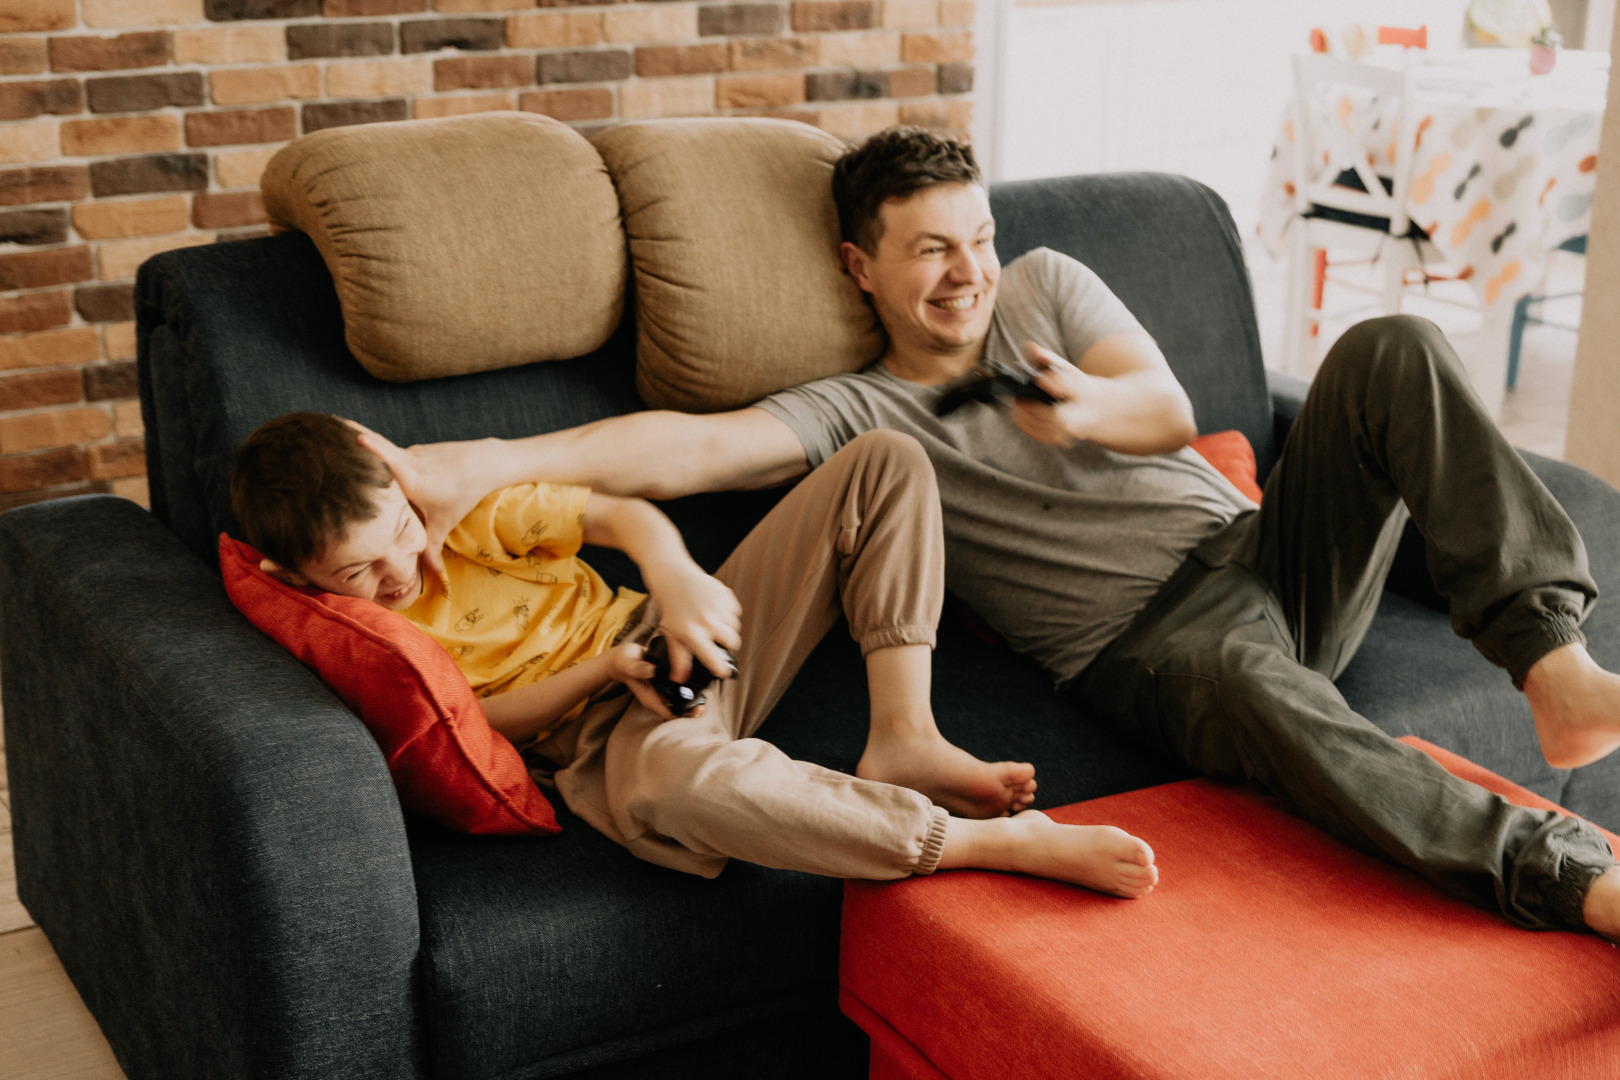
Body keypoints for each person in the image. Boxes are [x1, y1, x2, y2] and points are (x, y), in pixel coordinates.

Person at [361, 125, 1620, 939]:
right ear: (862, 267)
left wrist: (1091, 408)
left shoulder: (1046, 289)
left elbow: (1168, 403)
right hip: (1155, 650)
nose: (964, 273)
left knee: (1389, 345)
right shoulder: (857, 412)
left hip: (1266, 552)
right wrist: (484, 459)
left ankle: (1553, 665)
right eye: (927, 254)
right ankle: (1574, 876)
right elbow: (678, 448)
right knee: (1251, 681)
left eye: (976, 240)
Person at [230, 411, 1161, 897]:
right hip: (607, 730)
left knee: (883, 460)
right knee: (686, 792)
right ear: (297, 575)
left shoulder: (452, 506)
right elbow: (477, 725)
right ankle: (981, 845)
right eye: (363, 570)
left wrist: (673, 575)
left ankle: (904, 731)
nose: (404, 565)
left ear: (393, 476)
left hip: (679, 636)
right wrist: (602, 674)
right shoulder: (363, 637)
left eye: (399, 527)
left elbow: (616, 511)